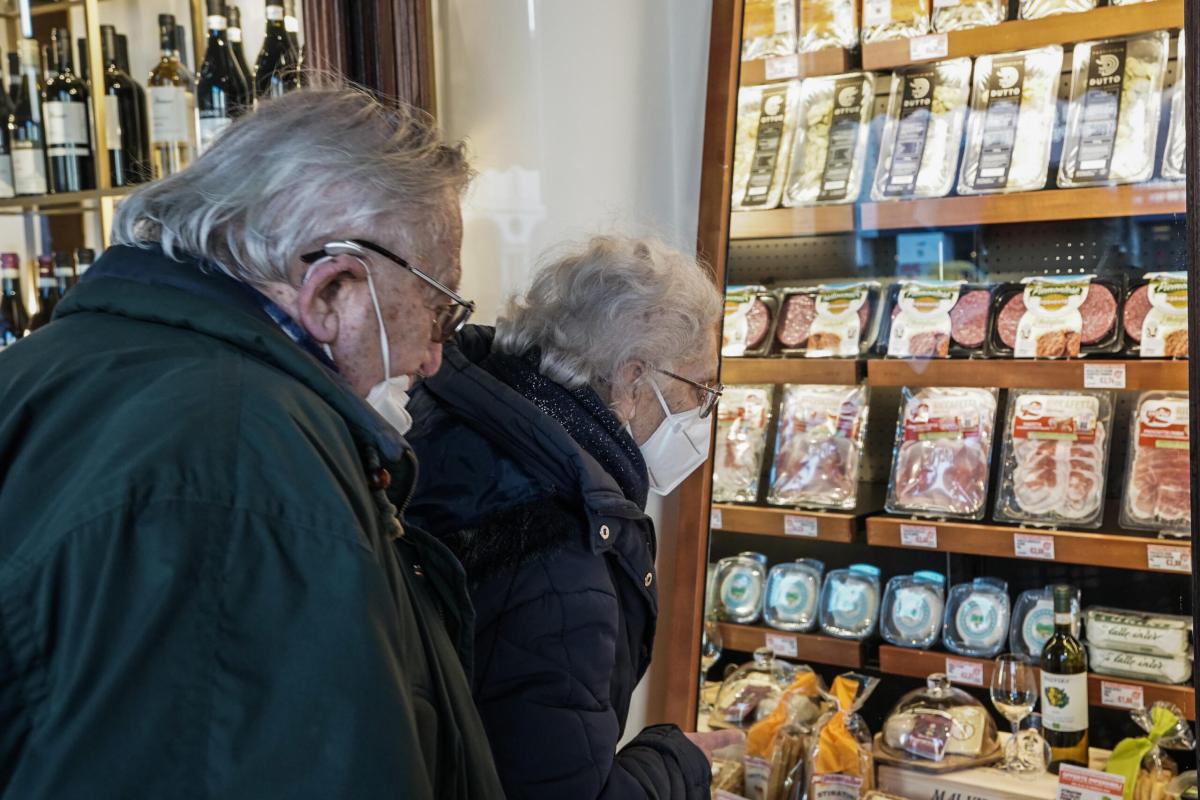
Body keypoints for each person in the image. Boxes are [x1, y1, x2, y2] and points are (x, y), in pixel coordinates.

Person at [0, 88, 503, 799]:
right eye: (438, 307)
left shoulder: (42, 364)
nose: (432, 358)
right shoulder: (244, 460)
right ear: (332, 290)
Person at [405, 236, 741, 799]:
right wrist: (675, 763)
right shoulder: (565, 549)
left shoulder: (460, 431)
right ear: (634, 381)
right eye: (702, 388)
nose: (707, 410)